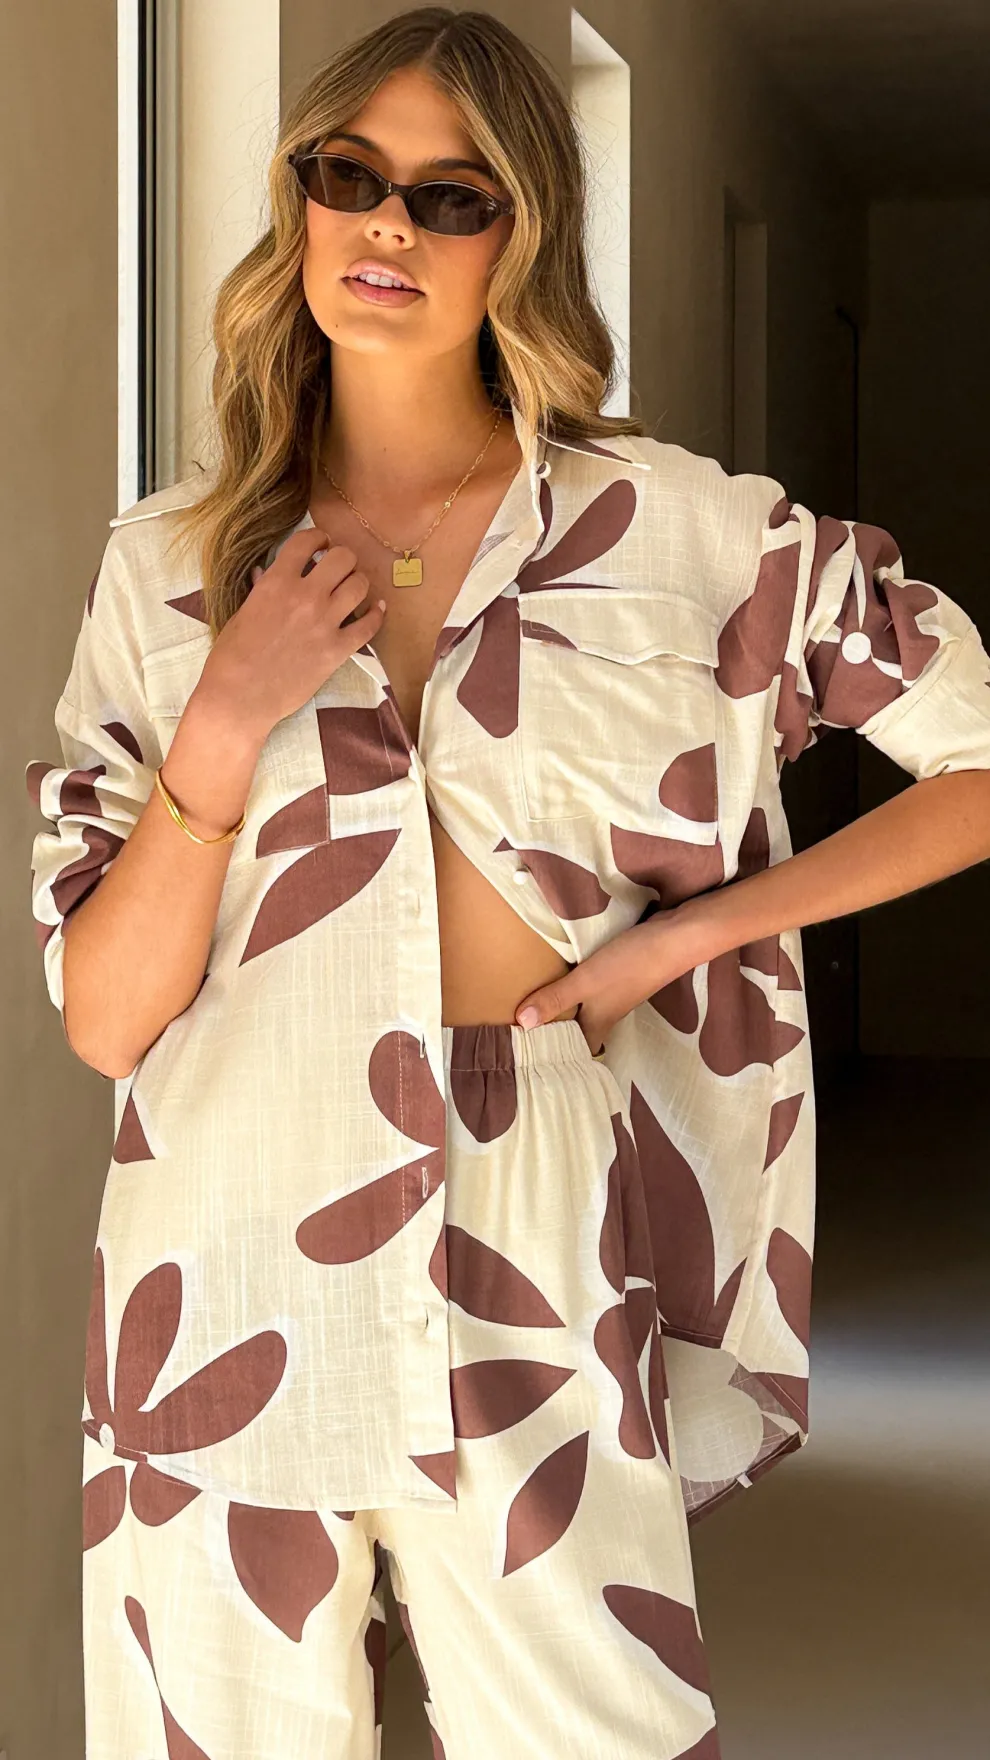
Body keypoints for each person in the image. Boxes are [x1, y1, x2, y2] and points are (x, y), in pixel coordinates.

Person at [23, 8, 990, 1758]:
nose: (385, 225)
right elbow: (104, 1020)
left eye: (448, 196)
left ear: (521, 233)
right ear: (299, 202)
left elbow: (974, 757)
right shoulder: (166, 566)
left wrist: (693, 936)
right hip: (221, 1227)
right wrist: (225, 721)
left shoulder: (684, 535)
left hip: (532, 1191)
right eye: (349, 177)